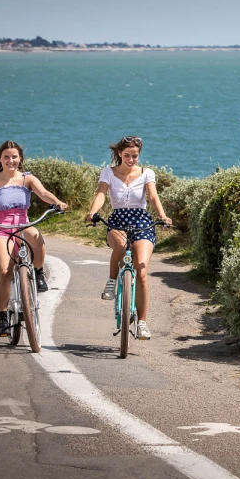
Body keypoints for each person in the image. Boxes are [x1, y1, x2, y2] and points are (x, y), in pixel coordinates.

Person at [0, 140, 69, 337]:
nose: (11, 160)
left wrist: (57, 202)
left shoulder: (27, 179)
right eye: (6, 157)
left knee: (36, 235)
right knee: (4, 271)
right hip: (0, 228)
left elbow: (44, 193)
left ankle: (39, 271)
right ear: (0, 159)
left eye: (14, 157)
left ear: (20, 158)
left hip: (23, 225)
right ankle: (3, 316)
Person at [85, 136, 172, 340]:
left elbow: (152, 197)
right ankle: (111, 281)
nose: (130, 160)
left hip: (141, 220)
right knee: (121, 245)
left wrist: (162, 216)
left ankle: (142, 322)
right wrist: (92, 212)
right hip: (117, 219)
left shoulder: (147, 173)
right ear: (119, 154)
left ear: (139, 155)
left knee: (141, 271)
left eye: (134, 156)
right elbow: (101, 194)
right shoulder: (109, 171)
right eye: (126, 155)